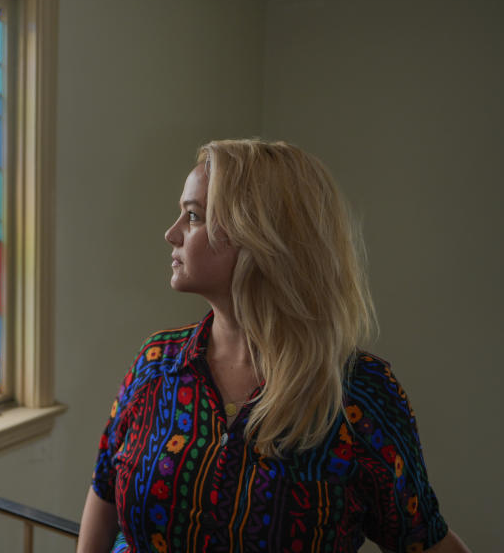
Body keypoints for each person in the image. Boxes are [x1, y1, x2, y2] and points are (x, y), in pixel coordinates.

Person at [77, 139, 470, 553]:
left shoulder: (358, 394)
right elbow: (104, 496)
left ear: (260, 237)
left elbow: (426, 539)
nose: (171, 233)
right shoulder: (156, 363)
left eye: (193, 216)